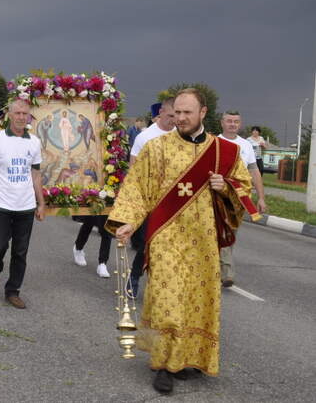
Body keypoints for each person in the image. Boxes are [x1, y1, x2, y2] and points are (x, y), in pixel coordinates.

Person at [107, 88, 255, 394]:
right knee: (167, 302)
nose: (181, 118)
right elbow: (137, 188)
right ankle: (163, 364)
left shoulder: (223, 152)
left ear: (203, 113)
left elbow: (244, 189)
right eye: (177, 112)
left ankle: (187, 358)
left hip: (203, 240)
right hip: (166, 237)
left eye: (188, 113)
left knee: (196, 302)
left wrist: (225, 186)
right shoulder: (157, 148)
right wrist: (129, 221)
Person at [0, 99, 45, 309]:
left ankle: (13, 291)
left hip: (25, 205)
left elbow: (35, 175)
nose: (20, 117)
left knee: (20, 251)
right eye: (17, 113)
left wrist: (40, 202)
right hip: (1, 204)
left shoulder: (33, 142)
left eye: (24, 113)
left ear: (28, 116)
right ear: (9, 115)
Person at [123, 98, 176, 294]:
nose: (174, 120)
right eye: (171, 115)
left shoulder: (181, 136)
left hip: (173, 201)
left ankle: (163, 288)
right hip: (149, 200)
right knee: (147, 243)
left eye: (177, 115)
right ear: (161, 112)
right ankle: (134, 278)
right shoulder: (145, 137)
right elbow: (134, 169)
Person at [218, 111, 267, 287]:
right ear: (222, 123)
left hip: (239, 197)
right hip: (218, 195)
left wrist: (261, 198)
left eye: (236, 121)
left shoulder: (245, 145)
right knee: (222, 229)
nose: (232, 124)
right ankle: (227, 271)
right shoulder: (213, 142)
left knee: (230, 232)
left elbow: (254, 171)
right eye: (229, 121)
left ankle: (218, 266)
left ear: (240, 124)